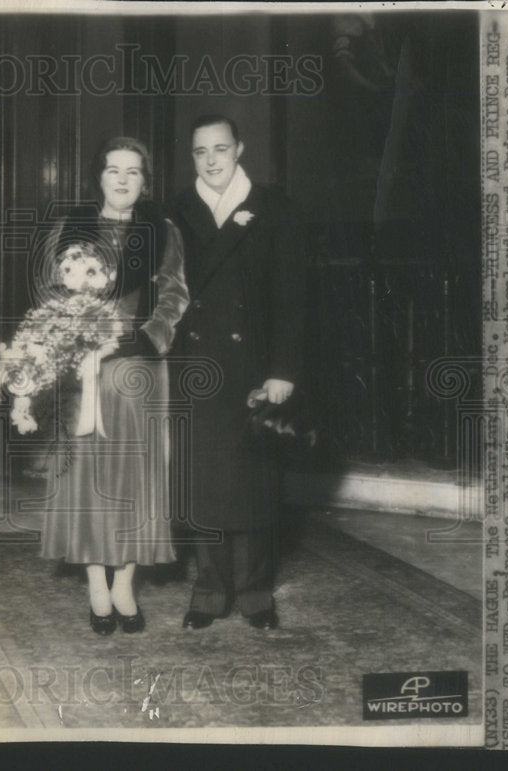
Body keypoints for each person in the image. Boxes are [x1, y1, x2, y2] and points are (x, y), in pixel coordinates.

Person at [40, 137, 190, 635]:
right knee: (86, 477)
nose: (122, 180)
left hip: (139, 370)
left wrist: (145, 339)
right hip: (82, 370)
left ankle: (126, 582)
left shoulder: (161, 230)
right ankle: (96, 586)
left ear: (146, 182)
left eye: (133, 173)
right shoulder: (71, 226)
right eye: (113, 171)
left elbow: (173, 296)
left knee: (137, 477)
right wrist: (75, 336)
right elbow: (48, 292)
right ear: (98, 177)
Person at [171, 115, 307, 631]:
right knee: (203, 482)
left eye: (220, 149)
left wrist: (284, 369)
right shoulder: (178, 210)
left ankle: (254, 592)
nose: (210, 160)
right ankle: (209, 590)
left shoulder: (274, 208)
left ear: (239, 149)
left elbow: (294, 299)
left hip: (253, 365)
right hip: (197, 365)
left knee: (253, 480)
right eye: (200, 151)